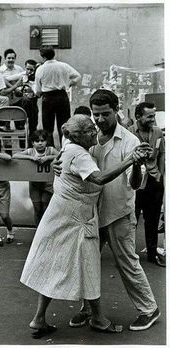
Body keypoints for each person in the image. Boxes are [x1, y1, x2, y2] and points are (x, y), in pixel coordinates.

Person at [20, 114, 149, 338]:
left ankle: (39, 318)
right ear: (78, 136)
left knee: (53, 265)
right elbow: (99, 179)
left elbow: (63, 159)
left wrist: (54, 161)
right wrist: (130, 160)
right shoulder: (79, 153)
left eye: (93, 128)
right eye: (90, 130)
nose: (94, 132)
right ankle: (98, 318)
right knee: (88, 266)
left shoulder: (72, 147)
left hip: (61, 216)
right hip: (76, 219)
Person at [54, 89, 160, 331]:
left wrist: (135, 165)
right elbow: (70, 160)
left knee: (126, 262)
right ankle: (87, 309)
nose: (100, 120)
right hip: (90, 212)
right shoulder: (89, 137)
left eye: (105, 114)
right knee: (85, 262)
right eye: (96, 115)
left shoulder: (130, 141)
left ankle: (149, 309)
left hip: (118, 212)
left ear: (116, 111)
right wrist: (57, 163)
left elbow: (135, 184)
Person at [133, 102, 165, 267]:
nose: (153, 119)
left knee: (152, 220)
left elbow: (162, 154)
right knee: (132, 219)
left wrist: (159, 174)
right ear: (138, 117)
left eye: (154, 115)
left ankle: (152, 254)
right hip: (135, 180)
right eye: (150, 116)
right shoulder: (129, 133)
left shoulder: (158, 132)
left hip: (153, 179)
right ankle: (128, 256)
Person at [34, 45, 81, 146]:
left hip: (48, 98)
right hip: (61, 96)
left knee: (48, 127)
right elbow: (77, 76)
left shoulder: (40, 69)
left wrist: (38, 94)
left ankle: (50, 150)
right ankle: (65, 148)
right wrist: (68, 84)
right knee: (64, 125)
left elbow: (37, 89)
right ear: (53, 54)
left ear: (43, 57)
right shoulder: (63, 65)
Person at [13, 129, 58, 226]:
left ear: (46, 141)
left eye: (42, 141)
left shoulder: (50, 150)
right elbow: (15, 155)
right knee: (37, 209)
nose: (40, 143)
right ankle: (38, 230)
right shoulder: (30, 151)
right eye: (37, 141)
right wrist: (30, 158)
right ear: (32, 143)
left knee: (46, 208)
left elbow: (60, 155)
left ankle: (46, 229)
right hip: (34, 184)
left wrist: (48, 158)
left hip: (48, 184)